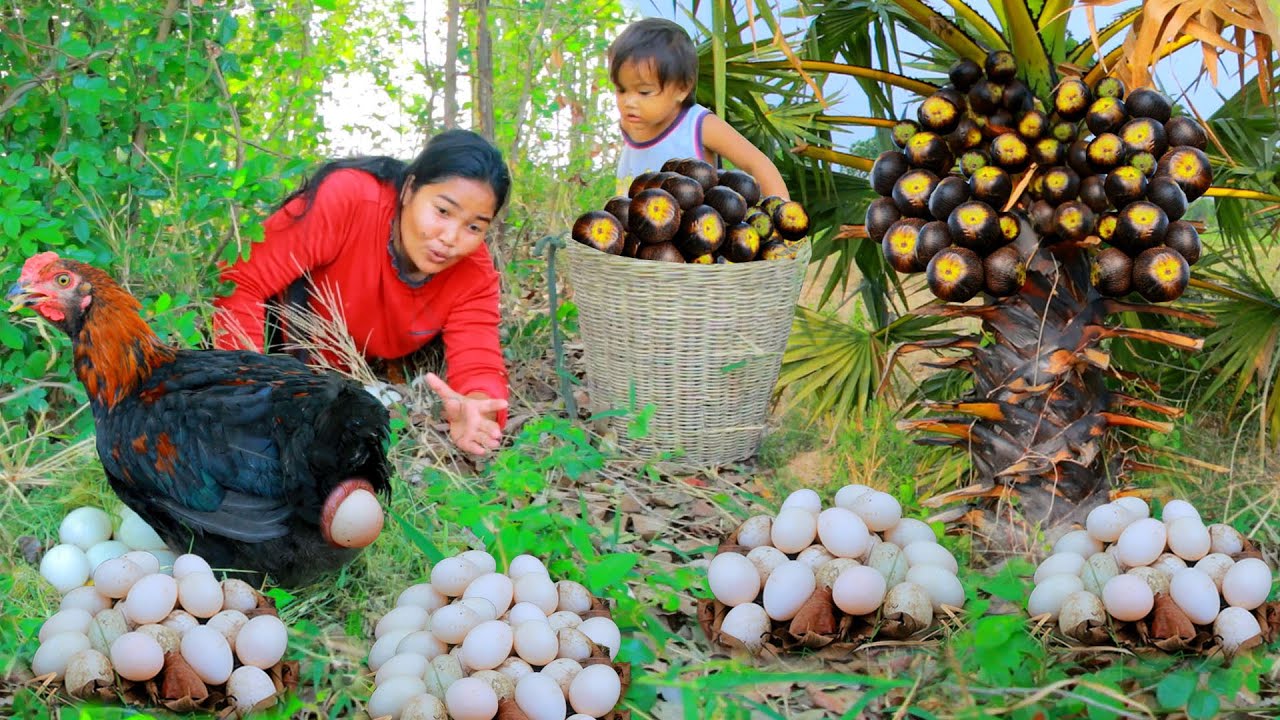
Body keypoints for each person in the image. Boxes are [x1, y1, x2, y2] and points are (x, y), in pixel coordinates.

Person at [213, 129, 511, 456]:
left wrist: (479, 407)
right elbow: (241, 281)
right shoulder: (350, 199)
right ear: (410, 189)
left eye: (474, 227)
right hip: (279, 342)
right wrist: (250, 395)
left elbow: (478, 357)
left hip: (360, 368)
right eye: (442, 211)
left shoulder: (473, 269)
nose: (451, 237)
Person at [609, 18, 789, 199]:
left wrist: (782, 214)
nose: (628, 101)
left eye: (644, 91)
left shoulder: (697, 125)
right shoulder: (631, 126)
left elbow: (758, 164)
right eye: (621, 89)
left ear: (682, 88)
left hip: (702, 225)